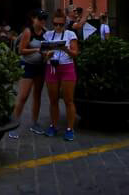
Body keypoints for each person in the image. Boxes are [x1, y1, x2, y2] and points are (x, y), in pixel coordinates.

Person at [9, 9, 48, 139]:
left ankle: (35, 123)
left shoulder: (46, 33)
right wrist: (37, 49)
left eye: (44, 19)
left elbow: (47, 49)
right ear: (34, 19)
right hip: (27, 66)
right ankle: (13, 124)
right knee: (23, 96)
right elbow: (21, 50)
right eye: (40, 18)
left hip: (40, 66)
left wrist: (46, 54)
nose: (42, 21)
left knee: (37, 95)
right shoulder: (28, 32)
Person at [43, 9, 79, 141]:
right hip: (51, 67)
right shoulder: (48, 35)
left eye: (61, 24)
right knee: (53, 100)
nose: (58, 27)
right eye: (55, 24)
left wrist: (65, 49)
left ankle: (70, 129)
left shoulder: (70, 34)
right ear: (52, 23)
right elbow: (43, 53)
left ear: (65, 24)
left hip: (67, 67)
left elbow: (75, 53)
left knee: (68, 100)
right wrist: (47, 55)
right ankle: (53, 125)